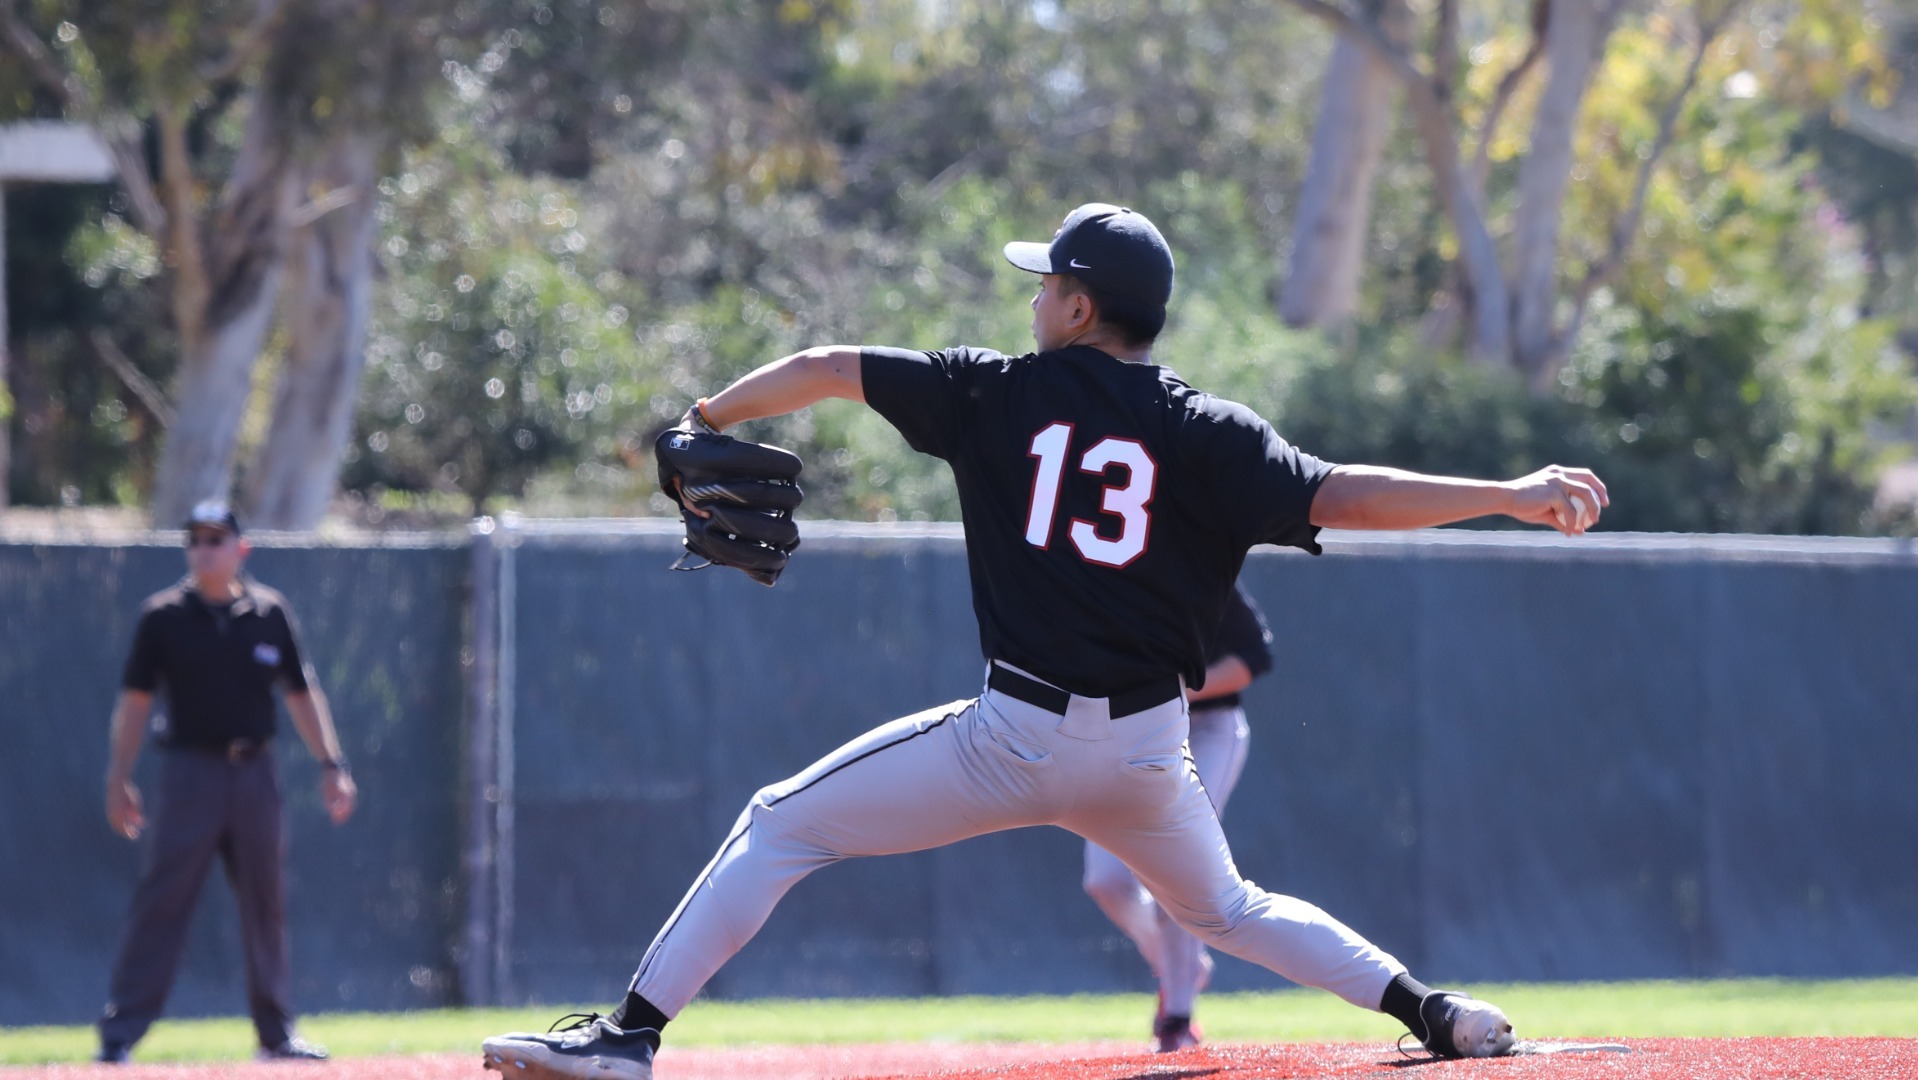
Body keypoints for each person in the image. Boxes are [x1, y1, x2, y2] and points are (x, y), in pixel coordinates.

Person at [481, 202, 1606, 1080]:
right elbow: (1346, 492)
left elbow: (827, 365)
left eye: (1048, 283)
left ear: (1078, 308)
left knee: (778, 823)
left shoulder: (993, 394)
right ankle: (1432, 1010)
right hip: (1146, 757)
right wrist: (1506, 492)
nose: (1036, 300)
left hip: (1009, 736)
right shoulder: (1204, 428)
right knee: (1225, 910)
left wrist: (707, 420)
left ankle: (628, 1034)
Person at [96, 501, 358, 1064]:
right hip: (191, 773)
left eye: (217, 539)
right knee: (162, 900)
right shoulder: (162, 616)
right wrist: (119, 777)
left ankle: (277, 1033)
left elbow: (301, 692)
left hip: (255, 774)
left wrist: (332, 764)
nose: (205, 549)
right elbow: (135, 702)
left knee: (266, 900)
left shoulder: (269, 613)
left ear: (242, 549)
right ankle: (120, 1035)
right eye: (196, 539)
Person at [1084, 580, 1271, 1053]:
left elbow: (1251, 659)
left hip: (1206, 728)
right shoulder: (1093, 577)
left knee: (1176, 864)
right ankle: (1181, 967)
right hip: (1124, 734)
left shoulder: (1198, 569)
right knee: (1105, 879)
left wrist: (1174, 691)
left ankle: (1177, 1015)